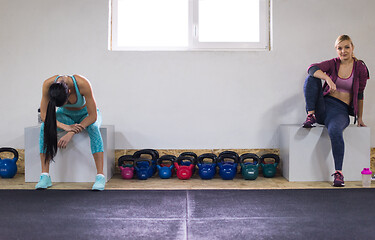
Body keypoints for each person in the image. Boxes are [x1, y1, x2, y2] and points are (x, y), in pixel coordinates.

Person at [303, 35, 370, 187]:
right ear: (336, 50)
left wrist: (359, 118)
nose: (343, 51)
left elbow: (360, 93)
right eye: (339, 48)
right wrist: (327, 78)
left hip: (340, 111)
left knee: (334, 130)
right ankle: (310, 115)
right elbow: (312, 68)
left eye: (346, 47)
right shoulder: (333, 64)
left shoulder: (360, 67)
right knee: (312, 77)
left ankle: (338, 173)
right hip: (323, 106)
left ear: (352, 48)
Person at [35, 75, 105, 191]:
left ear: (69, 91)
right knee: (44, 127)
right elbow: (44, 116)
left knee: (93, 128)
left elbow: (93, 116)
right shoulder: (48, 84)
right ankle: (45, 176)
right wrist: (66, 127)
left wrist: (71, 132)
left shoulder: (83, 84)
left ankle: (100, 176)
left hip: (86, 115)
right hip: (66, 116)